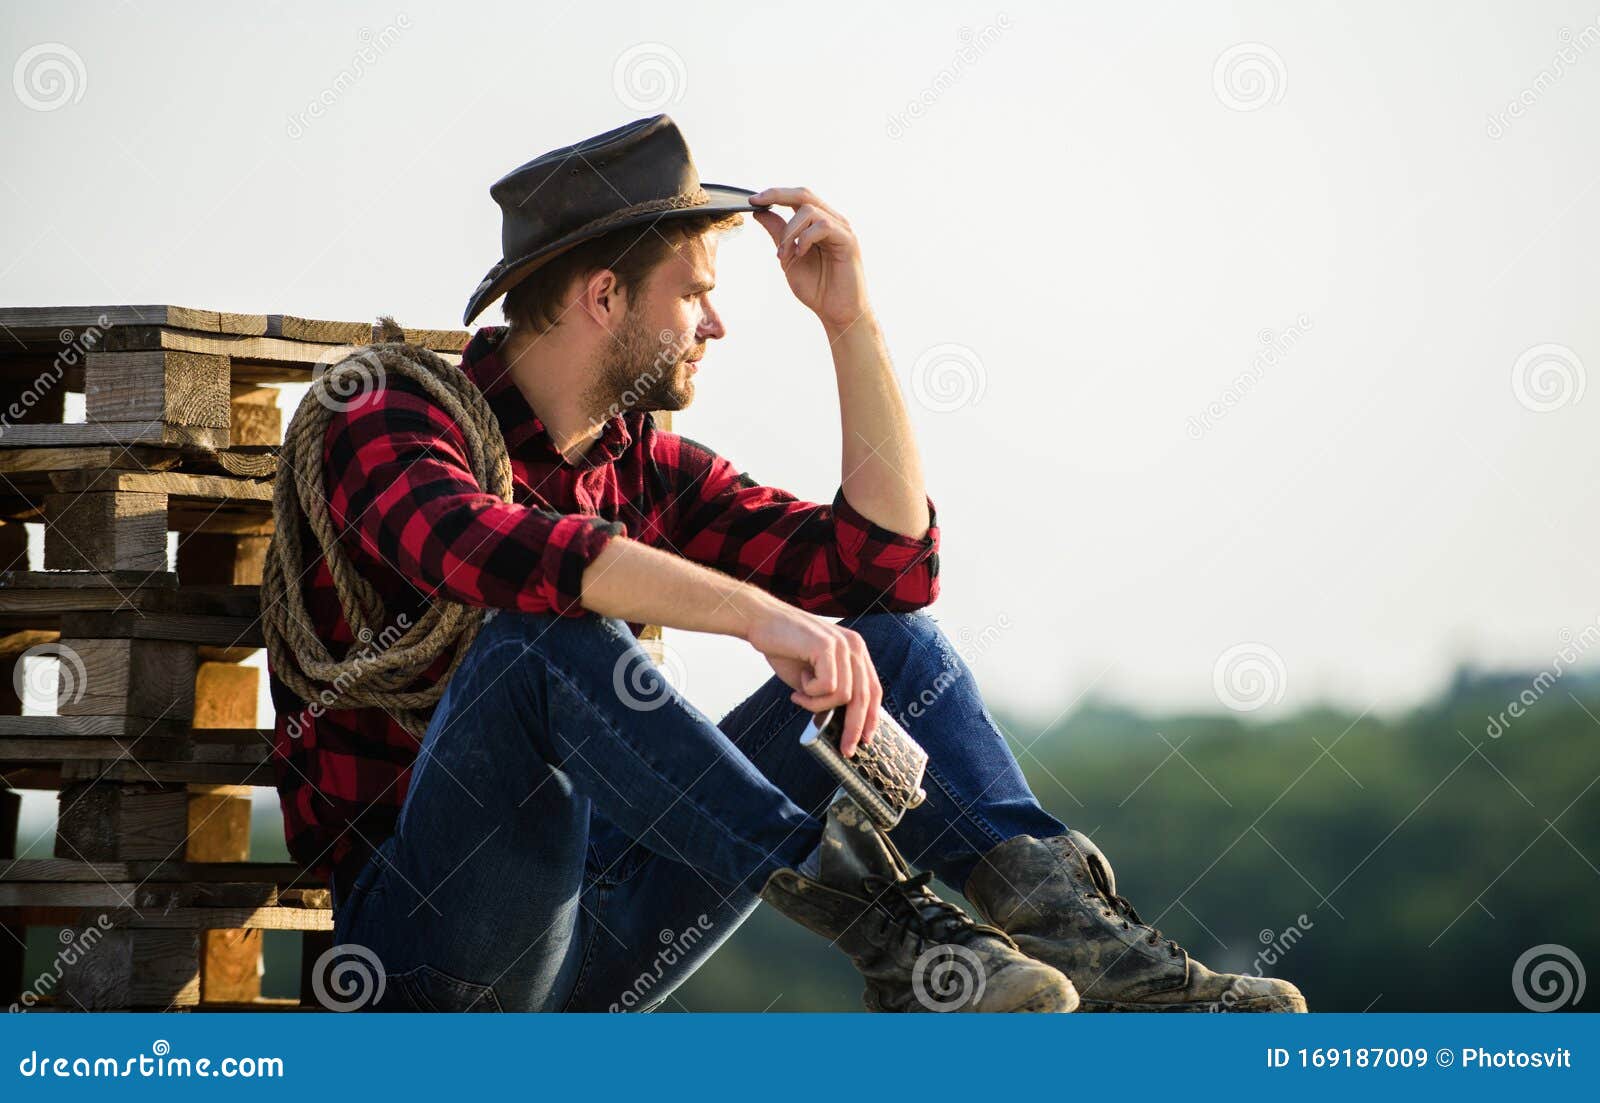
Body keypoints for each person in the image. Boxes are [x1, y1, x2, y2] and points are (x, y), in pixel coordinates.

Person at [268, 114, 1306, 1014]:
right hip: (432, 957)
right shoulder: (393, 415)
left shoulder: (644, 469)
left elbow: (886, 566)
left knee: (889, 644)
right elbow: (486, 547)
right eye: (693, 294)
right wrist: (761, 619)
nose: (716, 321)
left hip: (608, 935)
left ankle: (1102, 957)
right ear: (601, 298)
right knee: (538, 641)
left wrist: (848, 321)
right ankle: (895, 937)